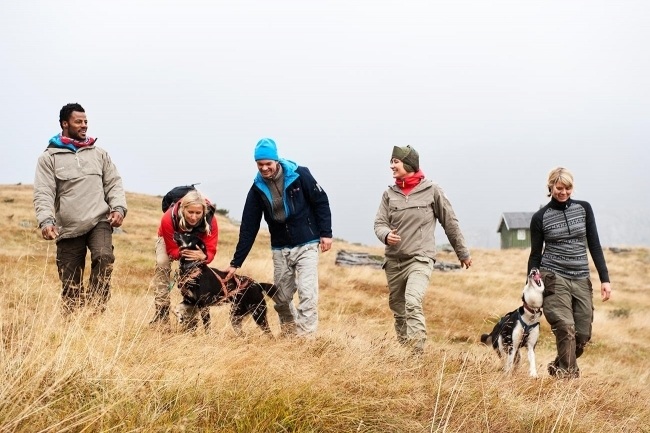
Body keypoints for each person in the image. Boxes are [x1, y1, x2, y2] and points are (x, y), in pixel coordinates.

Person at [224, 138, 333, 337]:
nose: (264, 168)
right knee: (281, 298)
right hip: (280, 247)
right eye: (260, 164)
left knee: (308, 295)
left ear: (276, 161)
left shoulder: (300, 174)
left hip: (307, 243)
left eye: (268, 163)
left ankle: (305, 340)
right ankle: (290, 334)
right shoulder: (257, 189)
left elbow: (321, 201)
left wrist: (326, 233)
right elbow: (249, 227)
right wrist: (236, 262)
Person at [374, 145, 472, 354]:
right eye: (391, 161)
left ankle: (416, 354)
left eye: (396, 161)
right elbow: (379, 223)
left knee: (412, 301)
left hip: (420, 258)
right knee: (399, 309)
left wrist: (462, 253)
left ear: (408, 164)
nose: (392, 166)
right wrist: (385, 235)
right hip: (393, 261)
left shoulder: (432, 190)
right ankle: (405, 352)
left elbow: (450, 222)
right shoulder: (389, 194)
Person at [33, 103, 127, 315]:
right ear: (65, 124)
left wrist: (118, 208)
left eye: (86, 121)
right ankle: (73, 324)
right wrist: (46, 221)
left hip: (99, 221)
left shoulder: (99, 154)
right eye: (78, 122)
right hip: (68, 227)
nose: (84, 125)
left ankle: (96, 309)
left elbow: (114, 183)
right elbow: (44, 192)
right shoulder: (49, 158)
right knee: (70, 284)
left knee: (104, 257)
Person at [528, 167, 611, 379]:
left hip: (581, 278)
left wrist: (605, 279)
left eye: (568, 188)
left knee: (581, 335)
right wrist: (531, 284)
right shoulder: (540, 217)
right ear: (551, 187)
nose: (563, 192)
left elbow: (594, 244)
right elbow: (535, 254)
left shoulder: (584, 209)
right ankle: (568, 381)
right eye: (559, 188)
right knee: (565, 327)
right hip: (553, 277)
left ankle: (558, 367)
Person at [149, 189, 218, 327]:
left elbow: (210, 250)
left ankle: (189, 321)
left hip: (194, 242)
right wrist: (184, 254)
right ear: (182, 209)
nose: (193, 217)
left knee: (195, 276)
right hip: (171, 242)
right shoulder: (168, 218)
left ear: (204, 211)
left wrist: (203, 257)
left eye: (198, 213)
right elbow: (173, 251)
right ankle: (161, 314)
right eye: (190, 212)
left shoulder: (211, 221)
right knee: (162, 263)